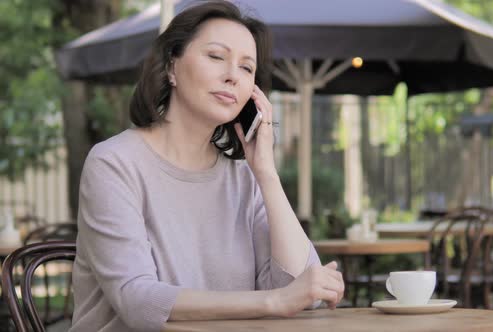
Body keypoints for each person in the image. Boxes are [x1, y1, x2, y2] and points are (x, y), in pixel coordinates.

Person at [69, 2, 344, 331]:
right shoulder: (113, 163)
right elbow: (138, 301)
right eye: (216, 56)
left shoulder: (245, 177)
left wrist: (267, 174)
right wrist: (276, 301)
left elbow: (306, 291)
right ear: (172, 67)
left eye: (246, 68)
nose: (232, 76)